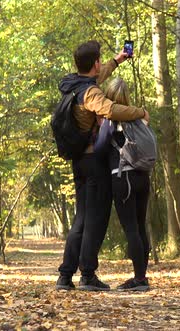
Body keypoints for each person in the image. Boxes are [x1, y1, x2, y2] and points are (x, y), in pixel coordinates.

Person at [55, 41, 150, 291]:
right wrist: (140, 112)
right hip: (94, 162)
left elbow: (98, 78)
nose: (101, 65)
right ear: (94, 63)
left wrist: (117, 60)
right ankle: (87, 275)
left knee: (82, 219)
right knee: (94, 220)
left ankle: (65, 276)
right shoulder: (91, 94)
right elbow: (110, 109)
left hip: (79, 161)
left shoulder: (72, 84)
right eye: (100, 61)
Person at [97, 78, 152, 291]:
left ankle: (138, 280)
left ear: (109, 97)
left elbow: (101, 148)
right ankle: (142, 276)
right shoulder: (139, 119)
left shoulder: (110, 122)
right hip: (142, 177)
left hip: (123, 179)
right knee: (140, 227)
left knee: (131, 229)